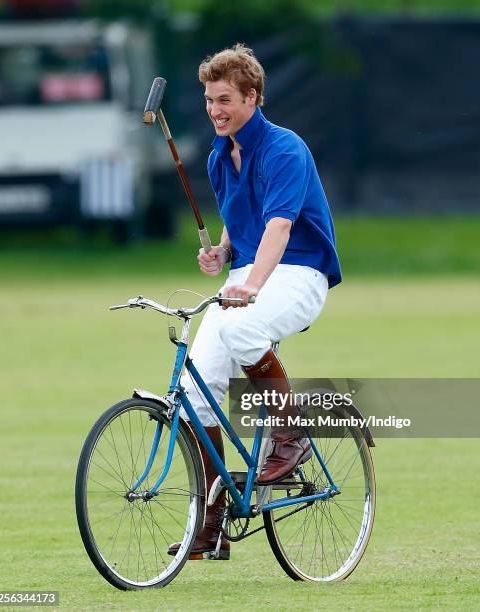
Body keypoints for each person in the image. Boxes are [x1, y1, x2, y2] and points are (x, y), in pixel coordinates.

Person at [168, 43, 341, 560]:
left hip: (298, 272)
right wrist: (223, 252)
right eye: (208, 100)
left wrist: (252, 284)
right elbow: (240, 216)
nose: (214, 110)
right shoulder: (221, 155)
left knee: (244, 329)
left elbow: (279, 224)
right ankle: (212, 524)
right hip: (249, 272)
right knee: (191, 393)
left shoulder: (285, 149)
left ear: (252, 97)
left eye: (224, 99)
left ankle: (291, 435)